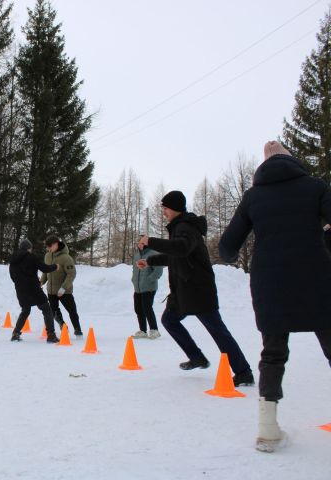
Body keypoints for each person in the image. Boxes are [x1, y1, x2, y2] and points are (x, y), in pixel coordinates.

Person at [219, 141, 331, 453]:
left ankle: (267, 429)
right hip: (317, 278)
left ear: (262, 167)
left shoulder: (254, 196)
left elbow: (228, 249)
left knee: (272, 353)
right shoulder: (316, 187)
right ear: (292, 161)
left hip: (271, 282)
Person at [137, 190, 253, 386]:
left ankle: (243, 372)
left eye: (165, 208)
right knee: (169, 320)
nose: (164, 211)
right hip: (184, 290)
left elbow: (180, 248)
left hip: (198, 290)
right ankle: (196, 357)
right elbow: (177, 255)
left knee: (217, 330)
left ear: (174, 208)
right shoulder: (179, 227)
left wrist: (151, 242)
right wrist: (151, 261)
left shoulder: (186, 227)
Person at [9, 238, 60, 343]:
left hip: (20, 290)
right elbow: (44, 268)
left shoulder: (13, 260)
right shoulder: (31, 257)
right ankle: (51, 335)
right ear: (29, 248)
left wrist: (21, 283)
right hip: (33, 289)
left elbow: (12, 277)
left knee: (25, 311)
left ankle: (15, 333)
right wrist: (55, 266)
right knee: (46, 309)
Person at [40, 235, 82, 337]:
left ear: (55, 244)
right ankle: (63, 325)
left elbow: (71, 274)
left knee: (72, 311)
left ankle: (78, 330)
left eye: (49, 246)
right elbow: (46, 271)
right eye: (47, 247)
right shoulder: (47, 256)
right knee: (53, 312)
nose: (48, 249)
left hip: (65, 291)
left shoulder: (66, 258)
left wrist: (64, 288)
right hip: (51, 291)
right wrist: (41, 282)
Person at [131, 239, 164, 339]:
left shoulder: (153, 254)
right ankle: (142, 331)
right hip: (138, 287)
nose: (139, 244)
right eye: (139, 242)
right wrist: (133, 279)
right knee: (138, 309)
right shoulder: (137, 255)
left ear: (146, 244)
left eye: (141, 243)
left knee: (147, 308)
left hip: (149, 287)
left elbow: (158, 271)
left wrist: (149, 280)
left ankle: (154, 330)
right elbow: (134, 269)